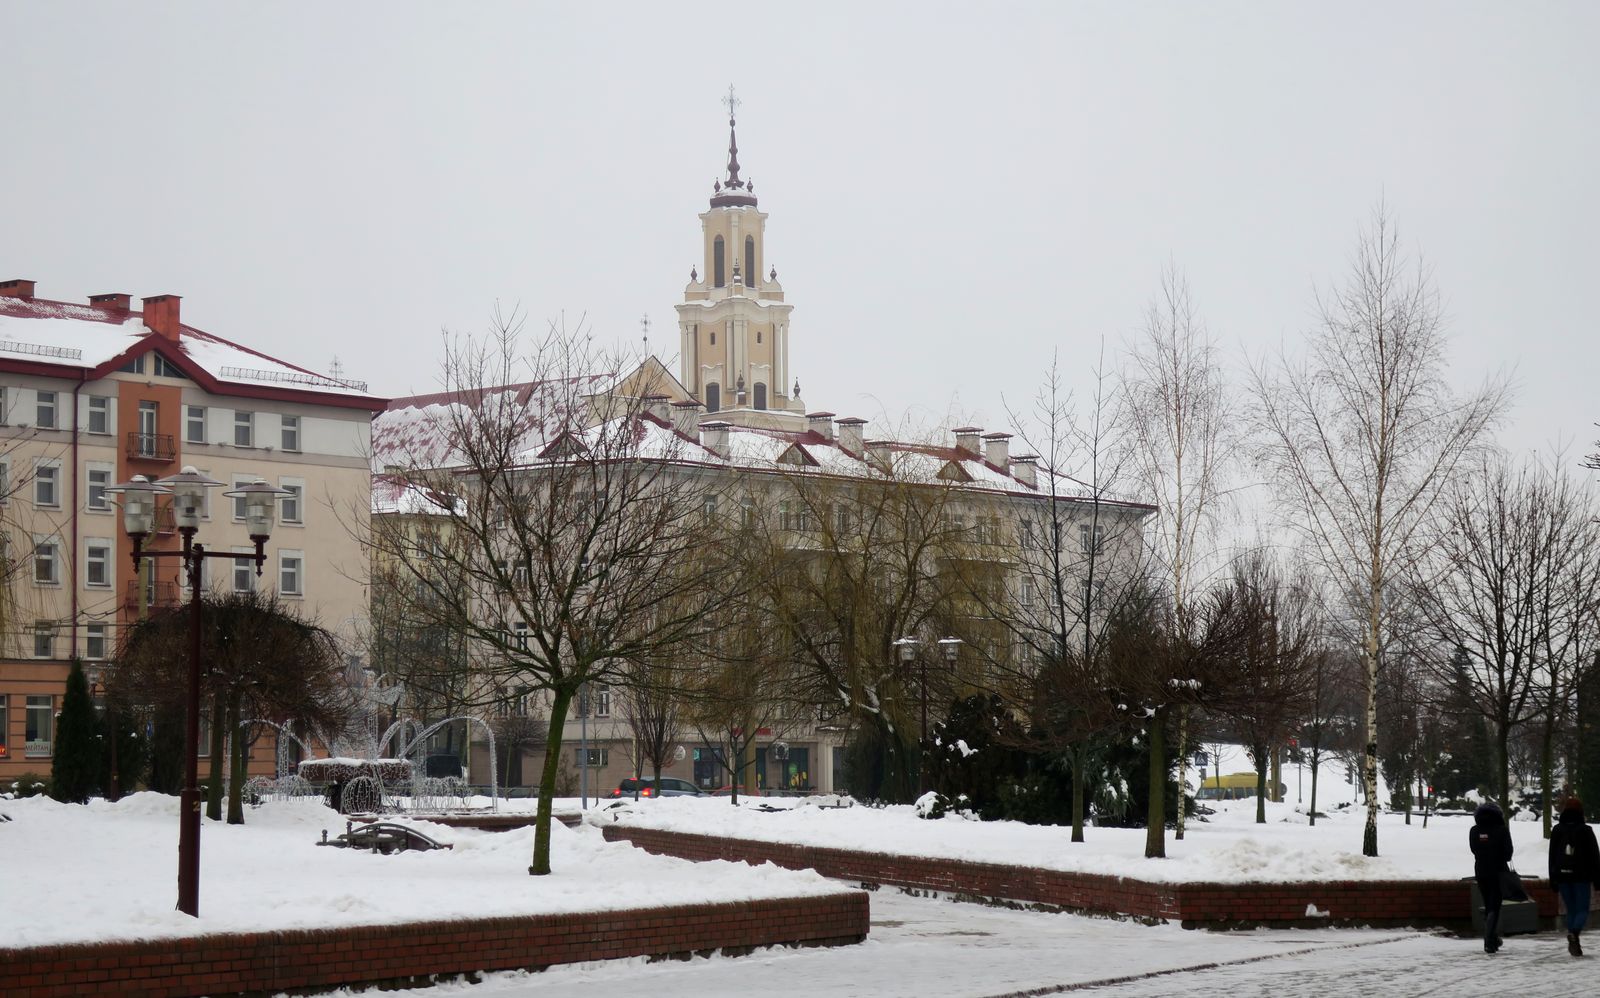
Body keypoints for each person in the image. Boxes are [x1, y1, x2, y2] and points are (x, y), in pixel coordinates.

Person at [1548, 796, 1600, 957]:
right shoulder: (1586, 830)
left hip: (1562, 876)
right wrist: (1597, 879)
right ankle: (1574, 934)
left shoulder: (1557, 830)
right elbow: (1594, 856)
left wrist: (1553, 877)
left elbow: (1552, 855)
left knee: (1571, 909)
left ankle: (1573, 938)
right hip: (1581, 876)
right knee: (1582, 909)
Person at [1471, 801, 1514, 954]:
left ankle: (1493, 938)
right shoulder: (1502, 830)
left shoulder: (1474, 831)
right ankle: (1489, 940)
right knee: (1494, 905)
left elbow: (1474, 850)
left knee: (1488, 903)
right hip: (1498, 872)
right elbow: (1508, 854)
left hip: (1481, 871)